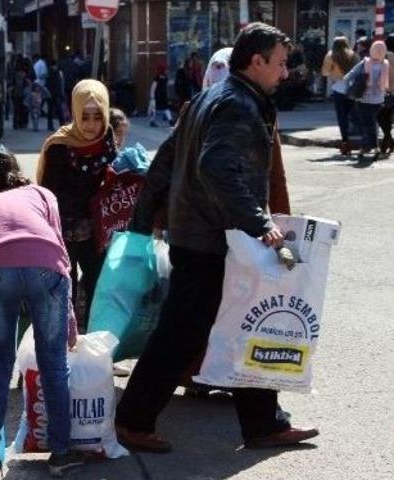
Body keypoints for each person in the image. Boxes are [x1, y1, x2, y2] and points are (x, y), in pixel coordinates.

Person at [115, 23, 318, 453]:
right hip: (209, 241)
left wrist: (144, 217)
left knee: (247, 323)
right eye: (280, 64)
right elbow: (215, 168)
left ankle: (263, 424)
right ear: (256, 61)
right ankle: (132, 421)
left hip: (205, 236)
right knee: (181, 335)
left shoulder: (211, 97)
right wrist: (259, 223)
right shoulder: (237, 105)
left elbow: (166, 158)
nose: (285, 73)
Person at [0, 146, 85, 480]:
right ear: (16, 170)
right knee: (53, 363)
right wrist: (70, 325)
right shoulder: (42, 195)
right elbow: (59, 250)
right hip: (45, 267)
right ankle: (60, 454)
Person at [37, 79, 117, 332]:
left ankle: (92, 337)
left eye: (97, 117)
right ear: (74, 112)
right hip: (65, 230)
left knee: (98, 283)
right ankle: (65, 340)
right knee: (64, 286)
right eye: (85, 116)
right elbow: (49, 193)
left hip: (97, 232)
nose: (91, 125)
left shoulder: (107, 140)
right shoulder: (60, 146)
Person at [347, 40, 388, 161]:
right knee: (371, 123)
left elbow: (351, 74)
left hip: (364, 98)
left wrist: (348, 83)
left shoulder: (365, 62)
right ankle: (366, 148)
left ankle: (373, 147)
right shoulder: (385, 64)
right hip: (378, 99)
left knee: (367, 124)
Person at [322, 36, 359, 156]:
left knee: (342, 117)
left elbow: (324, 72)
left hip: (338, 88)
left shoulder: (331, 55)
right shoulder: (353, 55)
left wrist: (333, 72)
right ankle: (360, 138)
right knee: (353, 114)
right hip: (351, 88)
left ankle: (345, 142)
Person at [46, 59, 66, 130]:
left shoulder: (52, 73)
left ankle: (60, 124)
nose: (55, 67)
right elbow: (58, 84)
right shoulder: (54, 73)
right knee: (53, 110)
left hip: (55, 94)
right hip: (53, 94)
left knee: (55, 110)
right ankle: (54, 124)